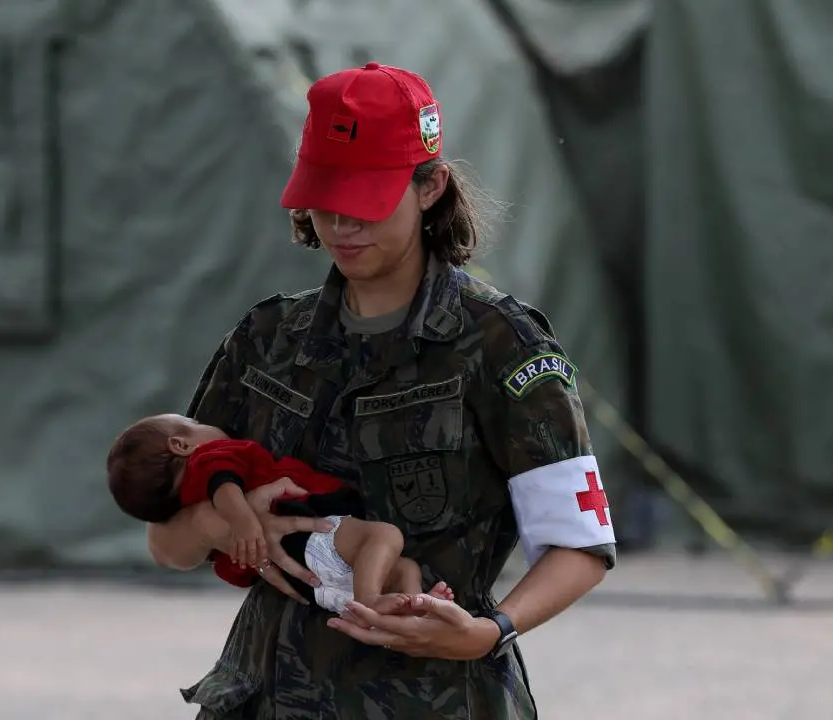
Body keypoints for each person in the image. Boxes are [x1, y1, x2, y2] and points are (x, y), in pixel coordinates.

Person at [147, 61, 617, 719]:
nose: (342, 224)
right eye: (325, 198)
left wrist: (491, 631)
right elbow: (168, 540)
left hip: (438, 697)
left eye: (364, 200)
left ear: (430, 186)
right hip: (267, 696)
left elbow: (579, 544)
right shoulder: (267, 339)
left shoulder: (502, 344)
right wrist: (219, 524)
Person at [105, 413, 455, 611]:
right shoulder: (208, 457)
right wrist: (244, 523)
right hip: (313, 535)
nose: (205, 422)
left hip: (306, 586)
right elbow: (222, 484)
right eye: (193, 421)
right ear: (182, 444)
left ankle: (413, 607)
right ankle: (370, 604)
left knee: (400, 566)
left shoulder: (194, 492)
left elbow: (237, 569)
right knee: (384, 536)